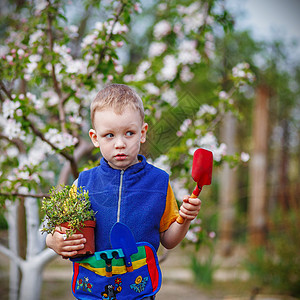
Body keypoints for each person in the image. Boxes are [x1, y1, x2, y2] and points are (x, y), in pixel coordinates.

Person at [46, 84, 201, 299]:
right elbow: (57, 229)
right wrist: (54, 241)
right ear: (94, 138)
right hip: (94, 287)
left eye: (129, 133)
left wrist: (185, 218)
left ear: (142, 133)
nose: (120, 144)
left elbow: (169, 240)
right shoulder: (83, 183)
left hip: (139, 290)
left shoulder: (159, 183)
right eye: (109, 135)